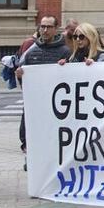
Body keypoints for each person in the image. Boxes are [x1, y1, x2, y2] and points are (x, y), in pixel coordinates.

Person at [15, 16, 70, 158]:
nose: (45, 30)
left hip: (56, 107)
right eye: (42, 27)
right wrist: (20, 75)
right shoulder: (31, 52)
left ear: (56, 29)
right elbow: (24, 82)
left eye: (48, 27)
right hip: (35, 106)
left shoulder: (65, 52)